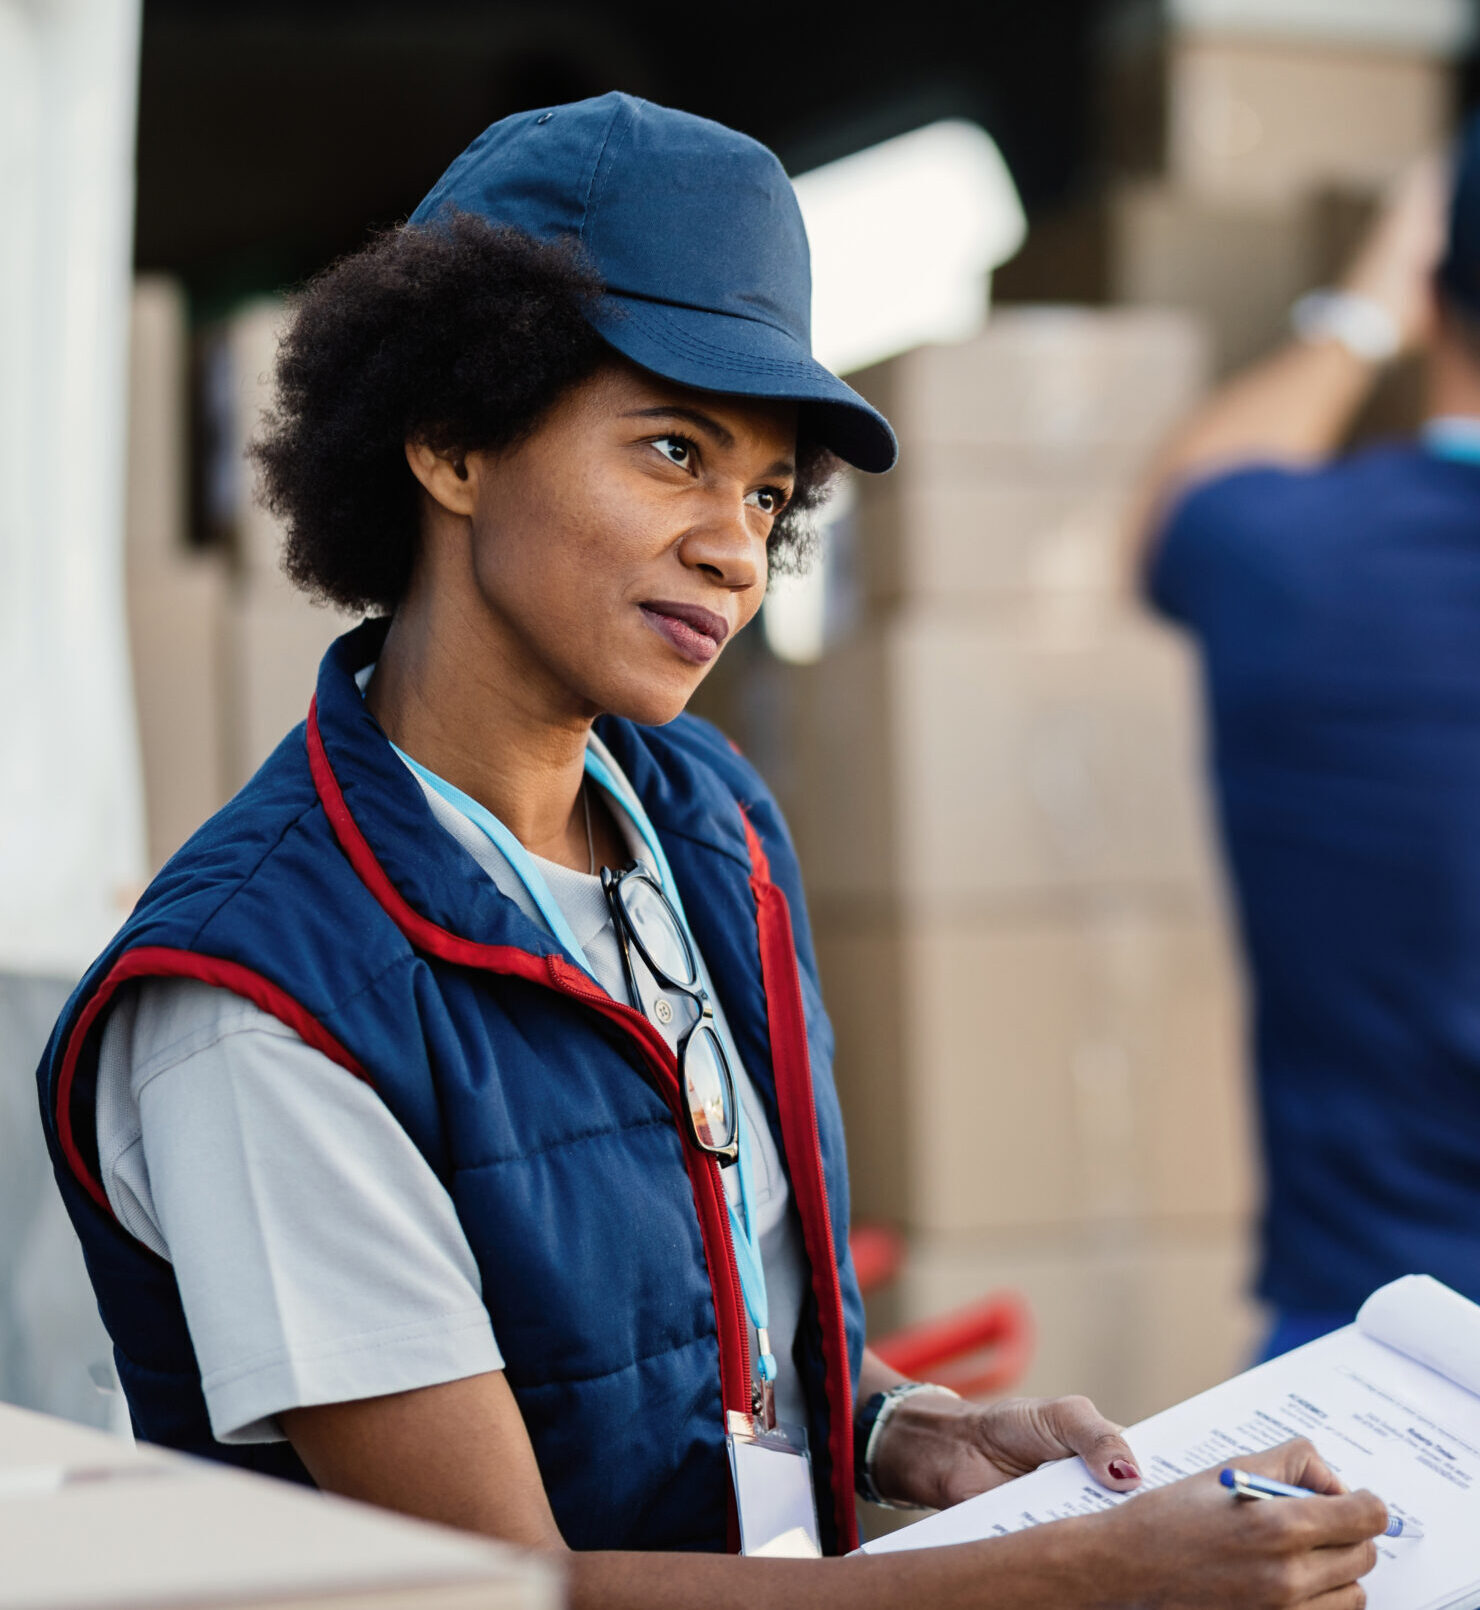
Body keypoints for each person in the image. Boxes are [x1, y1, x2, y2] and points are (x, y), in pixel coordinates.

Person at [40, 94, 1385, 1607]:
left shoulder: (704, 816)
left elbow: (698, 1342)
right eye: (674, 450)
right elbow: (502, 1593)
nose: (738, 545)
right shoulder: (258, 1006)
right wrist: (1091, 1578)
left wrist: (903, 1425)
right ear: (450, 438)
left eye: (764, 490)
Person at [1132, 124, 1480, 1363]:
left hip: (1365, 1377)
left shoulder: (1287, 560)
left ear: (1438, 289)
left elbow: (1182, 495)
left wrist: (1362, 308)